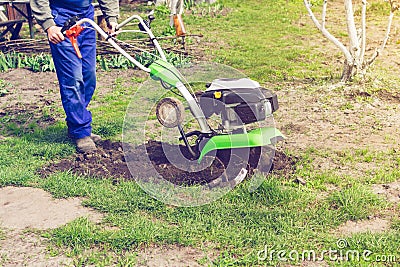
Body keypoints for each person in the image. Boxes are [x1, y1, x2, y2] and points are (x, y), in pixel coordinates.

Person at [30, 0, 119, 153]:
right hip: (61, 20)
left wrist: (111, 17)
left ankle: (77, 122)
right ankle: (81, 131)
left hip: (86, 18)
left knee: (88, 76)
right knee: (73, 79)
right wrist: (49, 25)